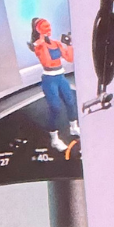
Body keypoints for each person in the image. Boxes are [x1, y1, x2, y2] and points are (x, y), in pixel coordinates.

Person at [30, 18, 79, 152]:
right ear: (39, 29)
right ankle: (54, 139)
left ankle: (74, 127)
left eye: (49, 26)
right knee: (55, 108)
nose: (49, 29)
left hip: (60, 76)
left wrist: (69, 44)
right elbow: (47, 61)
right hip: (49, 79)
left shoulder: (56, 43)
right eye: (45, 27)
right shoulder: (38, 45)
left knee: (70, 101)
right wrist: (41, 42)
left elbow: (69, 58)